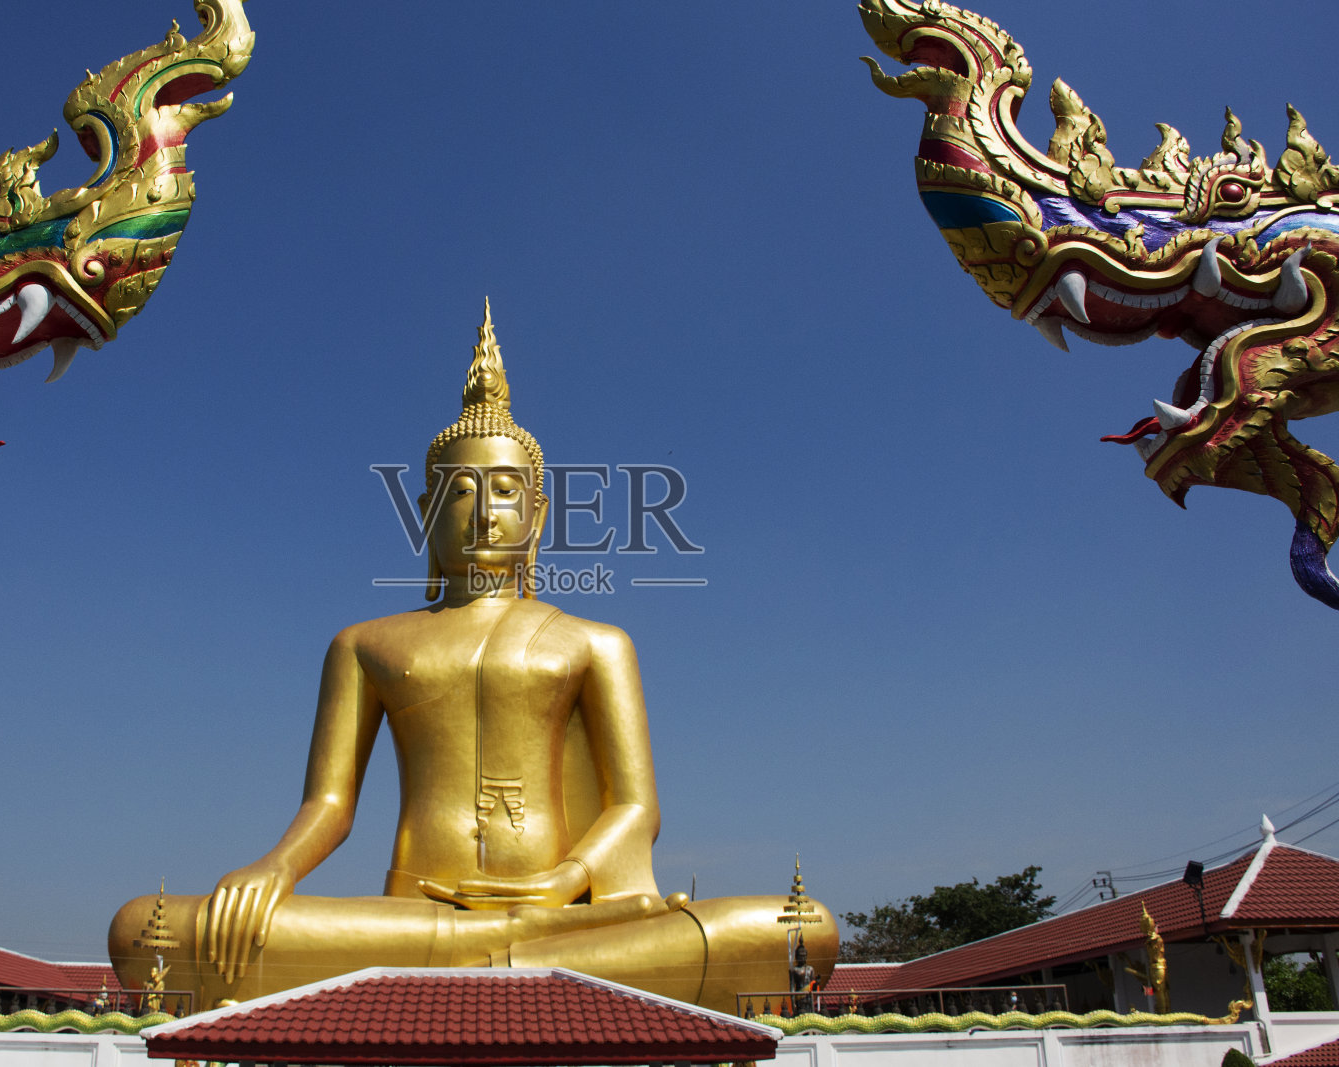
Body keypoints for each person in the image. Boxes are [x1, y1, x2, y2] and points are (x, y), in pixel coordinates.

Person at [108, 303, 837, 1010]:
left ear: (538, 516)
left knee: (802, 929)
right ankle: (512, 961)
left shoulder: (597, 642)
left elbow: (636, 808)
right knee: (146, 928)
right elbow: (329, 805)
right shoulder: (364, 644)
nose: (485, 511)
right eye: (460, 491)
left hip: (559, 910)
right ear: (426, 511)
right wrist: (272, 869)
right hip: (415, 917)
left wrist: (563, 883)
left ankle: (494, 957)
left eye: (507, 491)